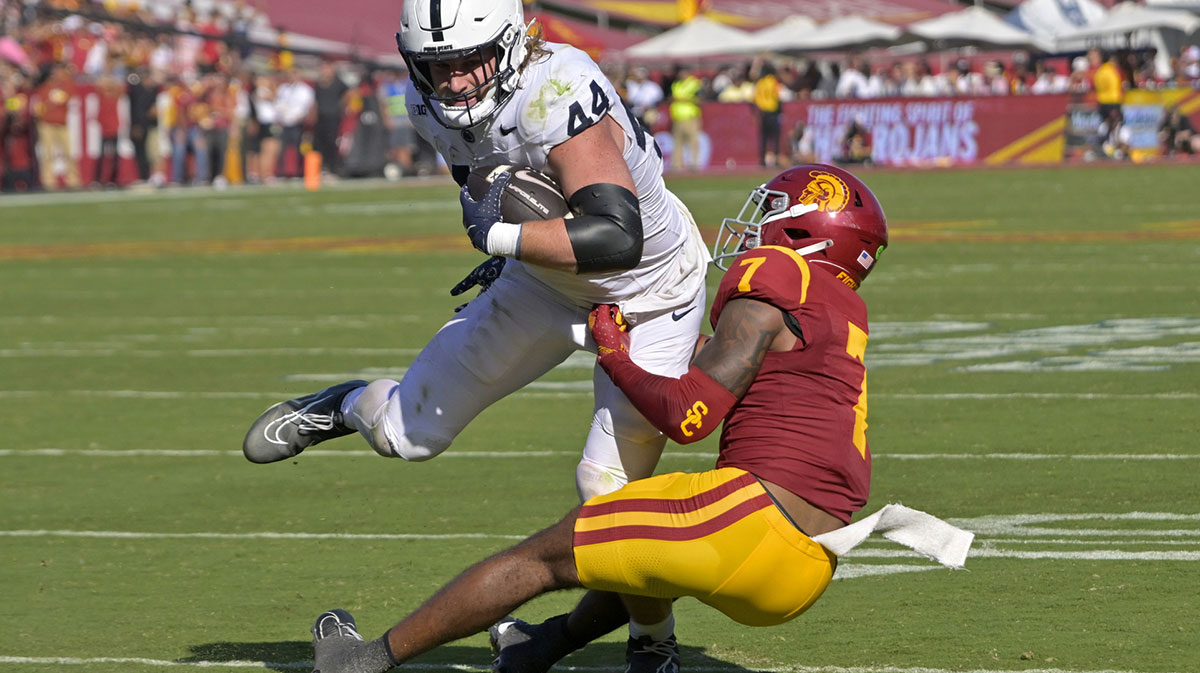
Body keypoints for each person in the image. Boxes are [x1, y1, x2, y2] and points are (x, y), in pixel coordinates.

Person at [302, 166, 953, 673]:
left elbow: (691, 414)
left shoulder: (778, 271)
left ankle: (365, 658)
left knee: (541, 557)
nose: (754, 229)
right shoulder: (841, 311)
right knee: (634, 548)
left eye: (773, 214)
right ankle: (543, 648)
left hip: (749, 522)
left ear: (806, 230)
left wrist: (614, 350)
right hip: (810, 566)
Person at [244, 0, 709, 667]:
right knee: (407, 434)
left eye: (470, 60)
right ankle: (343, 404)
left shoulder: (557, 90)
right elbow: (485, 181)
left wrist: (502, 235)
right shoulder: (426, 102)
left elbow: (616, 234)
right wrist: (510, 248)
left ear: (513, 43)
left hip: (652, 295)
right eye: (439, 66)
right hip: (546, 283)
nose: (456, 81)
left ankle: (652, 640)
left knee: (609, 496)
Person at [669, 64, 704, 171]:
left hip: (690, 116)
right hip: (677, 116)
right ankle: (677, 164)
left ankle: (695, 163)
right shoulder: (676, 84)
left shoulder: (694, 83)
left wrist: (683, 99)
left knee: (693, 140)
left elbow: (700, 99)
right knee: (678, 142)